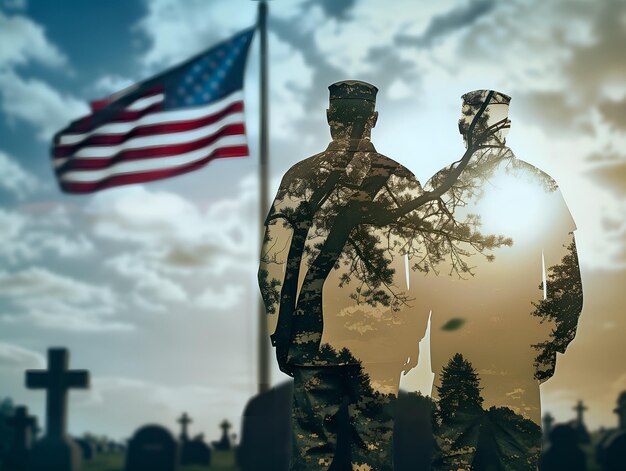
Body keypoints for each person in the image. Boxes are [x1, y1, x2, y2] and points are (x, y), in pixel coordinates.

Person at [258, 80, 427, 470]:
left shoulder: (298, 178)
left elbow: (271, 264)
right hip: (382, 342)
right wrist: (412, 333)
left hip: (312, 338)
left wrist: (280, 333)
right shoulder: (401, 179)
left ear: (330, 117)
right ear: (375, 118)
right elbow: (424, 270)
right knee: (373, 453)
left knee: (311, 455)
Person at [416, 90, 584, 470]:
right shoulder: (538, 184)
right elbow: (565, 276)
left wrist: (415, 337)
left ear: (465, 127)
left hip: (454, 352)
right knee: (519, 461)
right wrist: (553, 341)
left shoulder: (440, 184)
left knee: (450, 460)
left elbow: (419, 272)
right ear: (505, 127)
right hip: (518, 352)